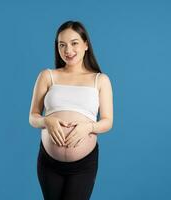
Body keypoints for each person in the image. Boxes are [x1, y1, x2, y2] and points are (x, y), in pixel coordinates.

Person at [29, 20, 113, 200]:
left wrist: (88, 127)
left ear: (85, 45)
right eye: (62, 45)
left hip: (83, 164)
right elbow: (33, 117)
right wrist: (46, 121)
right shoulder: (47, 76)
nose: (68, 50)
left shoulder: (100, 80)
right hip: (48, 162)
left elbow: (107, 121)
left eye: (74, 43)